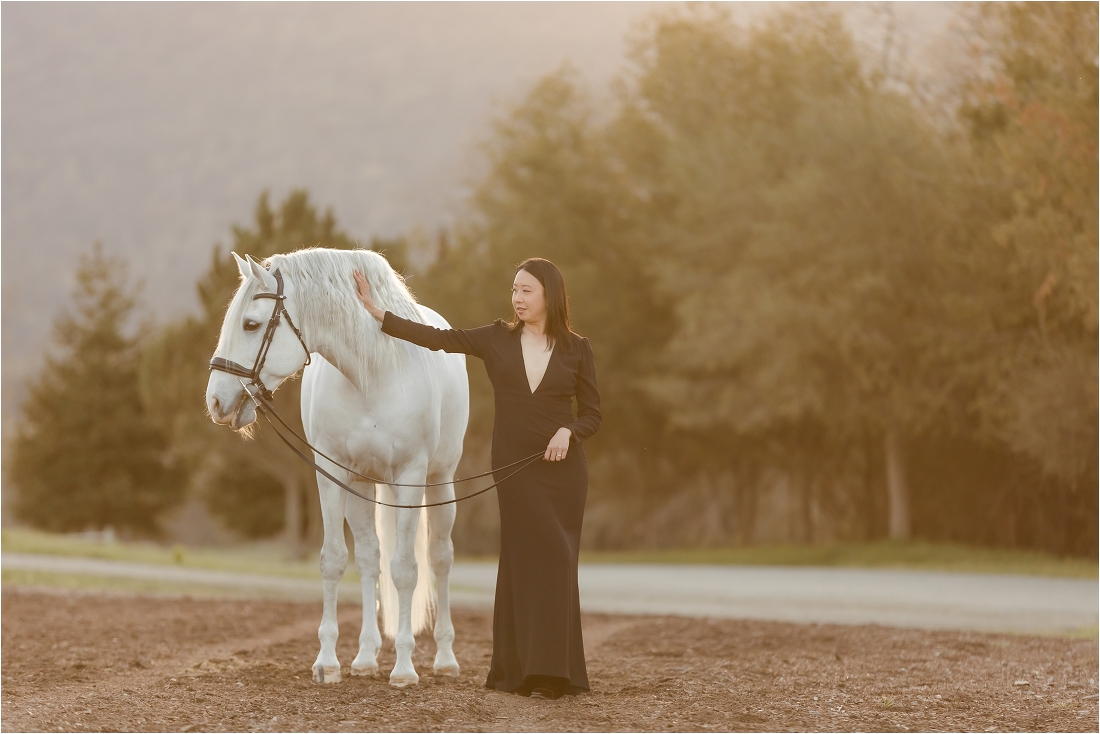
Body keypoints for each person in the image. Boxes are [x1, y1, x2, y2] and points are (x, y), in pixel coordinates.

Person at [353, 258, 601, 700]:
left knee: (559, 562)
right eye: (514, 290)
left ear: (550, 295)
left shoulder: (577, 349)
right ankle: (522, 673)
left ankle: (556, 672)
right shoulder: (496, 339)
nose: (517, 298)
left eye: (527, 290)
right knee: (524, 560)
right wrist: (379, 314)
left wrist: (569, 431)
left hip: (563, 473)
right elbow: (438, 339)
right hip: (515, 468)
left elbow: (594, 415)